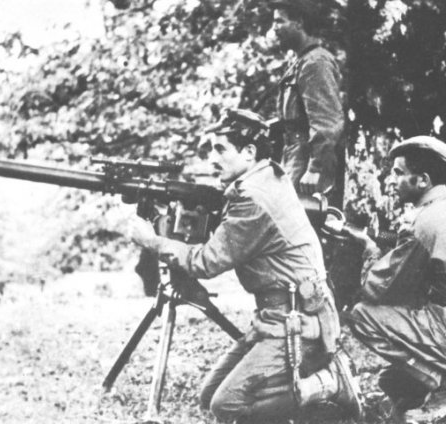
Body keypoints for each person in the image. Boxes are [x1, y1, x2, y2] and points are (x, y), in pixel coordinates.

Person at [126, 114, 363, 423]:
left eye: (221, 149)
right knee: (209, 396)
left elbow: (205, 262)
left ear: (249, 152)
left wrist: (152, 240)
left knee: (226, 406)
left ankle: (329, 384)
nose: (213, 159)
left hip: (297, 323)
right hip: (282, 314)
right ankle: (311, 401)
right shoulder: (266, 177)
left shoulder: (252, 198)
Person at [344, 136, 446, 418]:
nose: (391, 180)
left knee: (362, 315)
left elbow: (380, 288)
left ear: (423, 180)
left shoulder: (423, 221)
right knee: (391, 381)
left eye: (399, 173)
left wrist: (369, 249)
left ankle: (438, 381)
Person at [268, 0, 345, 207]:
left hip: (307, 163)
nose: (274, 28)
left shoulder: (316, 62)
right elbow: (294, 118)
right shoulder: (301, 61)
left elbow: (326, 121)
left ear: (299, 22)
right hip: (294, 156)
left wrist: (315, 168)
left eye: (279, 21)